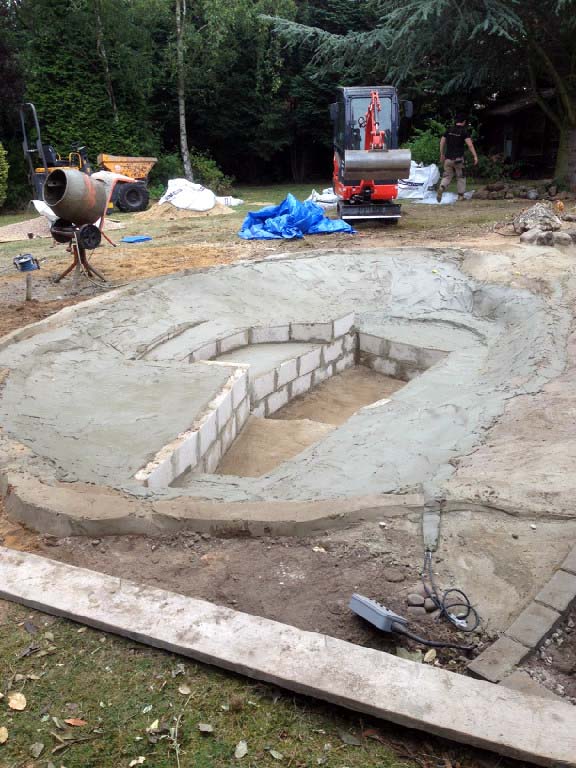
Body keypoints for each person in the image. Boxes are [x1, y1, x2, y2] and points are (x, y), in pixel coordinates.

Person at [436, 115, 478, 202]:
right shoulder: (464, 132)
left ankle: (442, 187)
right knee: (461, 177)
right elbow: (470, 145)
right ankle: (460, 196)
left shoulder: (449, 130)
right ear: (464, 122)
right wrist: (475, 156)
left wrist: (442, 154)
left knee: (447, 176)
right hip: (458, 159)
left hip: (448, 159)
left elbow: (442, 142)